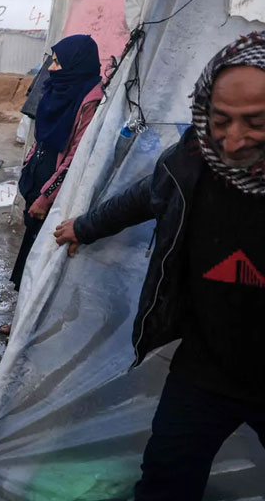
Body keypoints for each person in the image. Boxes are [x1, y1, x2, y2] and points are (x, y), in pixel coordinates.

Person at [52, 33, 265, 500]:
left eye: (255, 122)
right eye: (220, 120)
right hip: (206, 369)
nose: (232, 141)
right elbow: (143, 197)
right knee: (166, 481)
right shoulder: (191, 162)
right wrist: (83, 227)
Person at [9, 34, 103, 291]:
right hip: (38, 177)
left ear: (76, 65)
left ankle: (30, 320)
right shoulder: (55, 92)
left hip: (55, 189)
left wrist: (46, 197)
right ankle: (20, 312)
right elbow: (40, 140)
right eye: (52, 62)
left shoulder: (90, 102)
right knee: (31, 241)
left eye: (57, 63)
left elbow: (76, 157)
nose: (51, 69)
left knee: (46, 248)